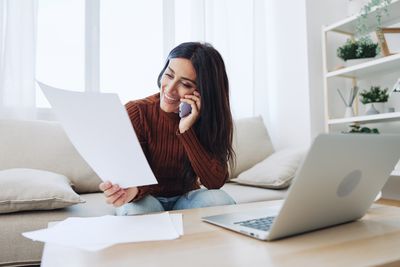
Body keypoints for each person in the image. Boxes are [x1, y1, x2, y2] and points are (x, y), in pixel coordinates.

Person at [99, 42, 236, 215]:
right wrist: (133, 191)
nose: (170, 89)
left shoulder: (208, 119)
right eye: (169, 75)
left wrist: (186, 131)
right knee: (138, 211)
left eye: (185, 84)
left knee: (219, 200)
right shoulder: (138, 112)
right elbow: (132, 173)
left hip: (185, 199)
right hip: (146, 198)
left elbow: (215, 182)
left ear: (203, 91)